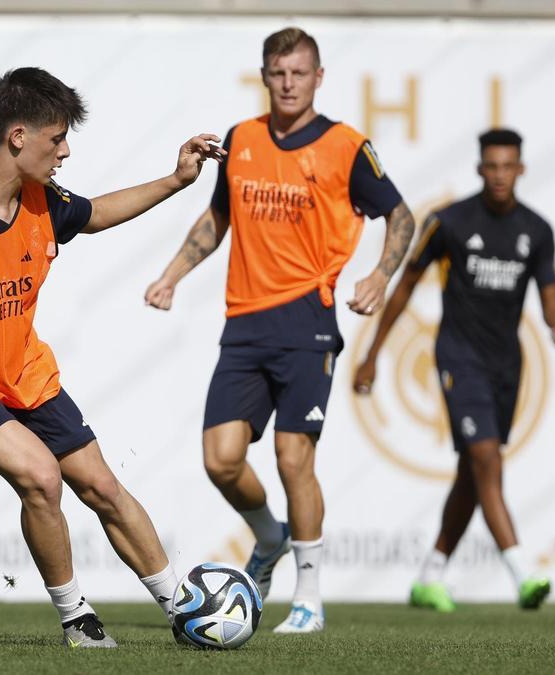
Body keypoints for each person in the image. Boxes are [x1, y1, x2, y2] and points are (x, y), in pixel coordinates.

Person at [0, 66, 223, 648]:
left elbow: (95, 213)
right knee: (41, 478)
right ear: (18, 136)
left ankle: (182, 609)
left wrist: (176, 180)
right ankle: (77, 620)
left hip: (24, 373)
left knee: (103, 487)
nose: (65, 151)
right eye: (56, 138)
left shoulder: (40, 200)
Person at [144, 26, 417, 633]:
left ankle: (309, 599)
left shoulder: (346, 146)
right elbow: (219, 219)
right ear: (264, 76)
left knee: (295, 459)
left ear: (319, 78)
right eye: (278, 72)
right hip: (243, 323)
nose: (288, 83)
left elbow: (400, 216)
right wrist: (171, 276)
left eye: (299, 72)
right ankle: (269, 538)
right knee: (220, 460)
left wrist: (379, 275)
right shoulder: (241, 140)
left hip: (307, 323)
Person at [353, 128, 555, 612]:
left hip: (506, 367)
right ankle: (523, 572)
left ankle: (429, 576)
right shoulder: (449, 221)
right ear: (479, 169)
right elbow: (407, 285)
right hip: (459, 358)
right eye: (491, 166)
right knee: (487, 460)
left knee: (473, 473)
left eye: (507, 166)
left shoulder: (537, 231)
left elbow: (552, 305)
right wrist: (371, 355)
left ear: (521, 169)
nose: (499, 175)